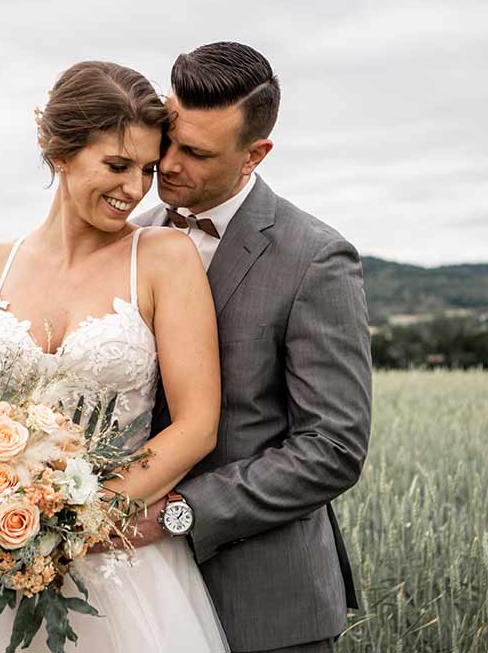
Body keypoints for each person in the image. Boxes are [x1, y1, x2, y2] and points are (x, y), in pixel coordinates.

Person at [0, 61, 229, 652]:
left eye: (145, 168)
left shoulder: (164, 257)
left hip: (120, 564)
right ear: (58, 152)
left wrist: (74, 523)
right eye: (117, 166)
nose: (136, 190)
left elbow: (197, 425)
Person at [128, 42, 373, 653]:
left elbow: (332, 447)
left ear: (254, 155)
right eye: (169, 139)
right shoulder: (128, 239)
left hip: (265, 605)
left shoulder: (316, 257)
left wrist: (176, 514)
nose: (169, 166)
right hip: (133, 600)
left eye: (198, 153)